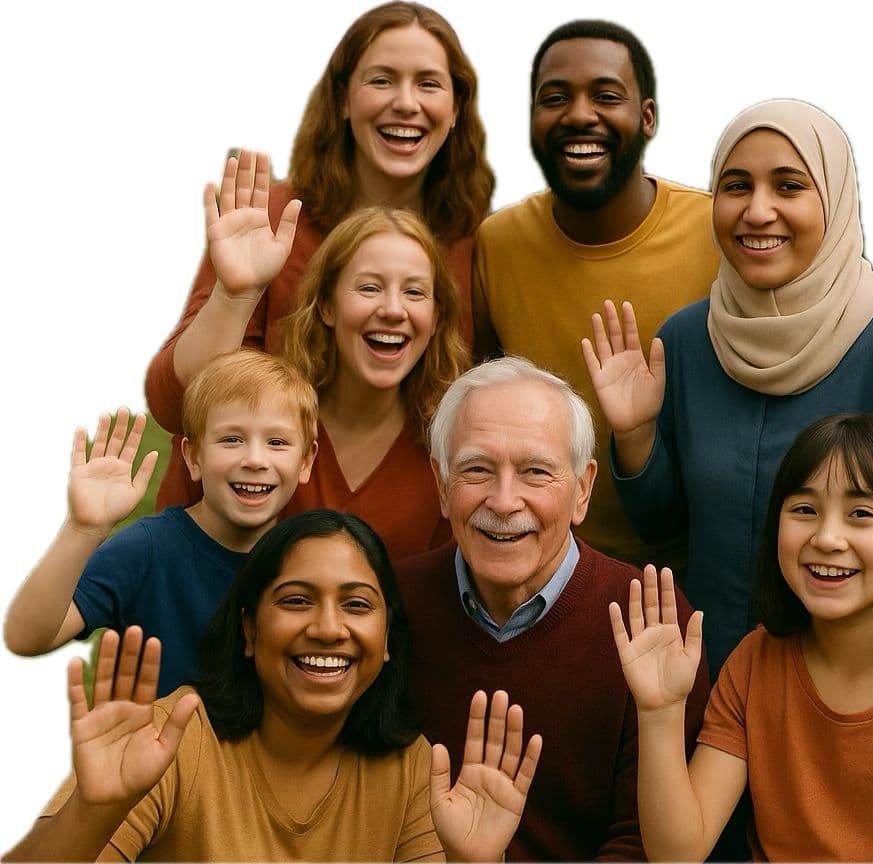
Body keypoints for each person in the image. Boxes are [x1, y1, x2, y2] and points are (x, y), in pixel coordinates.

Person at [585, 98, 873, 677]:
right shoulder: (689, 339)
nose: (757, 210)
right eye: (736, 186)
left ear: (835, 202)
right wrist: (636, 436)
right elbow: (664, 526)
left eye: (789, 186)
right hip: (705, 685)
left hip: (846, 695)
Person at [5, 510, 541, 862]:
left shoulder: (411, 768)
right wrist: (95, 808)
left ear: (387, 642)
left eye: (356, 605)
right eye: (295, 600)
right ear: (248, 628)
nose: (328, 629)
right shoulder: (173, 738)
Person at [612, 413, 873, 862]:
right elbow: (677, 853)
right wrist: (660, 713)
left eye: (861, 514)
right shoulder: (755, 660)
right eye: (804, 510)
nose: (827, 538)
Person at [146, 0, 491, 512]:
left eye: (428, 83)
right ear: (343, 99)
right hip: (240, 536)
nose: (405, 102)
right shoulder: (272, 218)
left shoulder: (477, 241)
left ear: (457, 108)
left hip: (400, 544)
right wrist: (235, 294)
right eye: (381, 80)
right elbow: (175, 405)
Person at [394, 356, 710, 860]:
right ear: (441, 484)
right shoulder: (394, 607)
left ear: (582, 488)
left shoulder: (649, 622)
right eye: (477, 469)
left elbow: (643, 847)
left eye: (535, 472)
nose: (503, 500)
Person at [471, 19, 718, 576]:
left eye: (606, 96)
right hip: (538, 570)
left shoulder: (716, 233)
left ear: (647, 118)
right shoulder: (498, 243)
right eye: (555, 98)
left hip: (693, 571)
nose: (580, 114)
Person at [3, 351, 317, 695]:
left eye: (276, 443)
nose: (255, 460)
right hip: (158, 746)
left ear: (305, 461)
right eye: (232, 439)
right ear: (193, 457)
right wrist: (83, 528)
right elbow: (26, 637)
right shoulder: (148, 549)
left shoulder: (311, 560)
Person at [274, 205, 469, 558]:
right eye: (369, 288)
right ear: (326, 306)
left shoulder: (452, 448)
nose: (393, 310)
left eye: (414, 292)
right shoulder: (271, 426)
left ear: (436, 316)